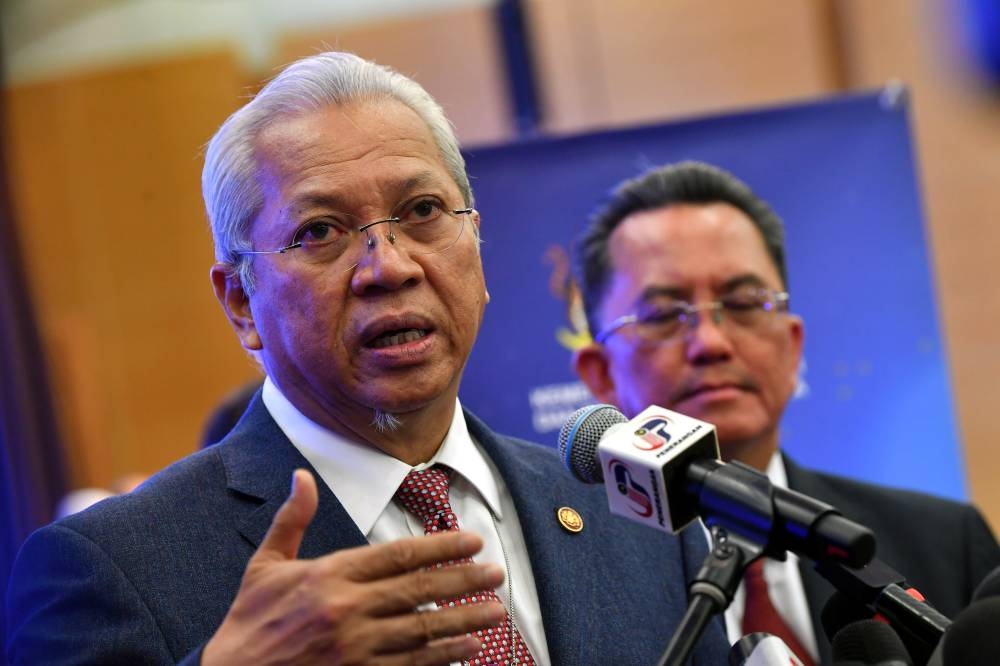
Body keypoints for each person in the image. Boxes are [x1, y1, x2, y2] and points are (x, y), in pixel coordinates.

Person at [4, 54, 730, 665]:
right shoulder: (110, 568)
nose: (388, 267)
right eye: (320, 230)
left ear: (475, 247)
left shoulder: (630, 521)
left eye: (421, 212)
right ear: (239, 302)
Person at [571, 160, 1000, 664]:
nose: (710, 343)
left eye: (745, 302)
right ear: (600, 373)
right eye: (664, 315)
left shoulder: (945, 541)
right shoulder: (571, 581)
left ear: (793, 347)